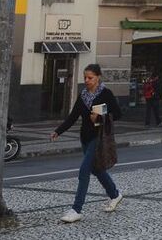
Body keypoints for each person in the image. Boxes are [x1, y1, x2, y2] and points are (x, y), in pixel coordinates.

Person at [50, 64, 123, 223]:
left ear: (98, 77)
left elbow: (117, 114)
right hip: (85, 137)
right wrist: (58, 131)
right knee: (97, 170)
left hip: (99, 137)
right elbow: (73, 116)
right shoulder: (83, 95)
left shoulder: (106, 94)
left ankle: (76, 209)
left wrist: (99, 115)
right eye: (85, 78)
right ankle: (115, 194)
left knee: (84, 171)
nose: (87, 81)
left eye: (90, 78)